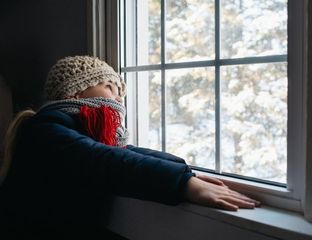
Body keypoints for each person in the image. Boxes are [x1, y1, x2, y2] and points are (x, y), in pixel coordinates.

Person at [0, 56, 259, 239]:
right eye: (109, 87)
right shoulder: (46, 132)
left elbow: (125, 152)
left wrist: (184, 172)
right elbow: (105, 160)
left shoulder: (71, 133)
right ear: (76, 94)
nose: (117, 98)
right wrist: (182, 184)